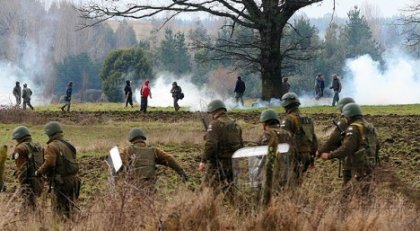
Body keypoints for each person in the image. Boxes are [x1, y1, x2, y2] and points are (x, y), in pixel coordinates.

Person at [319, 103, 380, 199]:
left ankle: (348, 212)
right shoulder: (369, 126)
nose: (345, 119)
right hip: (370, 164)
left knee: (348, 194)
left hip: (357, 166)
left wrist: (329, 155)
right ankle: (367, 212)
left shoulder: (353, 128)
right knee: (367, 193)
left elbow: (346, 148)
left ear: (350, 116)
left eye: (346, 117)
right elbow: (377, 146)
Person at [120, 128, 188, 194]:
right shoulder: (153, 151)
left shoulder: (128, 150)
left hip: (133, 187)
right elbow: (169, 159)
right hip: (150, 187)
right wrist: (181, 172)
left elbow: (118, 165)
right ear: (143, 138)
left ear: (131, 139)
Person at [198, 99, 243, 197]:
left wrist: (203, 161)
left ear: (214, 111)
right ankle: (239, 210)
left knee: (207, 189)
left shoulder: (215, 124)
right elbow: (241, 145)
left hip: (217, 164)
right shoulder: (236, 125)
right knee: (230, 190)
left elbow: (210, 144)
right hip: (233, 163)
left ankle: (205, 209)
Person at [35, 121, 81, 218]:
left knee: (58, 209)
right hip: (74, 180)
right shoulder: (69, 144)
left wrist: (39, 172)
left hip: (61, 182)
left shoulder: (52, 146)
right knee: (70, 207)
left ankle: (59, 226)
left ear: (50, 133)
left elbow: (49, 163)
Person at [257, 109, 297, 205]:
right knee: (286, 197)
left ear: (265, 123)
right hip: (288, 172)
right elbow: (294, 152)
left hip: (272, 173)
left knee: (269, 198)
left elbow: (260, 156)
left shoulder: (266, 135)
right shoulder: (288, 134)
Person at [280, 92, 318, 184]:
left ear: (286, 106)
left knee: (288, 182)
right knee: (298, 180)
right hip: (307, 155)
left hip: (294, 156)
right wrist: (312, 156)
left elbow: (282, 139)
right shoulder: (308, 119)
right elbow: (313, 138)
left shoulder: (288, 120)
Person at [317, 97, 355, 185]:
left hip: (350, 160)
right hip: (367, 160)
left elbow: (332, 142)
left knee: (347, 187)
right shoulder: (363, 123)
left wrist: (319, 152)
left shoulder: (344, 122)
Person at [11, 126, 44, 209]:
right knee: (33, 205)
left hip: (29, 183)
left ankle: (32, 221)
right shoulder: (38, 146)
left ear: (19, 137)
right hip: (40, 181)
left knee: (27, 208)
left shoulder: (20, 148)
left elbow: (22, 169)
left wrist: (22, 185)